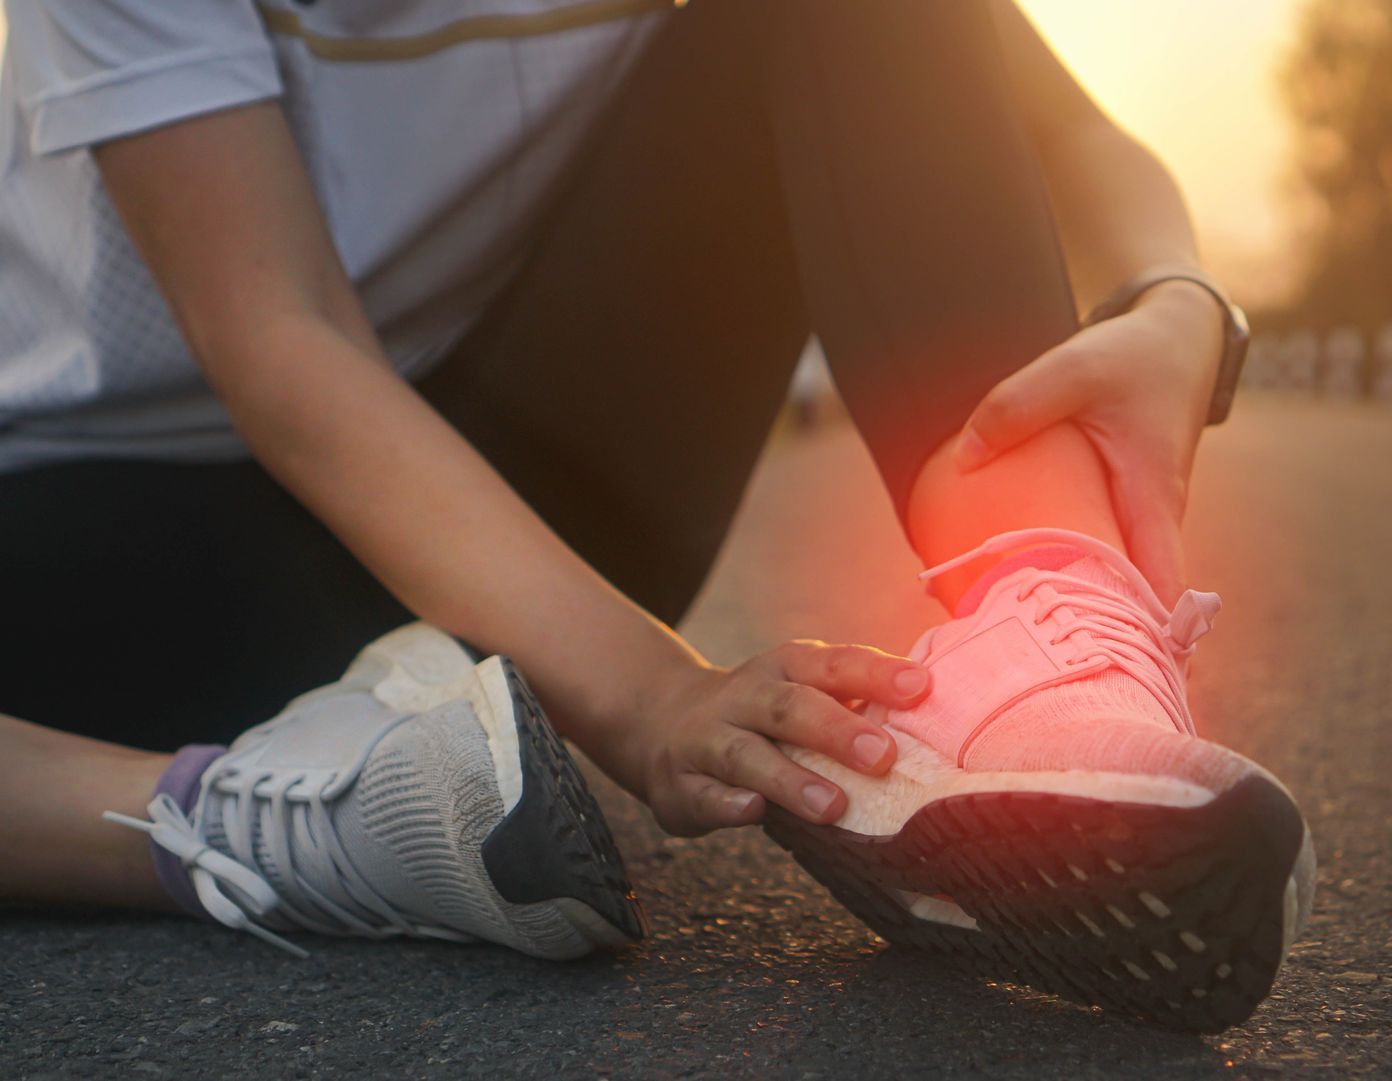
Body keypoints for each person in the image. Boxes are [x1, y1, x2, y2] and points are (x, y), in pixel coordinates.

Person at [0, 0, 1311, 1031]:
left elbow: (1074, 131)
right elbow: (281, 338)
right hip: (126, 548)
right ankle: (265, 821)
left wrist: (1181, 299)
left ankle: (1045, 649)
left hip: (526, 524)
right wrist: (646, 693)